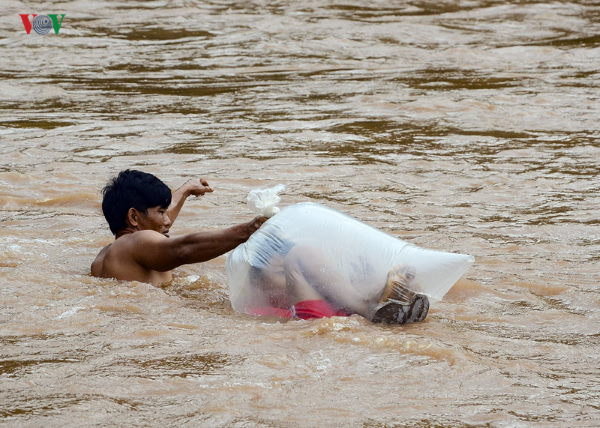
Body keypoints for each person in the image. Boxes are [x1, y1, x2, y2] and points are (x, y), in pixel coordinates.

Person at [91, 169, 267, 285]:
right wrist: (250, 229)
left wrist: (187, 189)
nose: (167, 221)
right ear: (134, 217)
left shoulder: (108, 253)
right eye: (161, 212)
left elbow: (156, 228)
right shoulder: (136, 241)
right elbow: (183, 249)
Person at [242, 243, 430, 325]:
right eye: (282, 272)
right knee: (301, 253)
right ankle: (369, 307)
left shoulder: (333, 291)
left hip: (346, 316)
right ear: (260, 285)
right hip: (313, 319)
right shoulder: (260, 311)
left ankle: (392, 301)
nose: (290, 280)